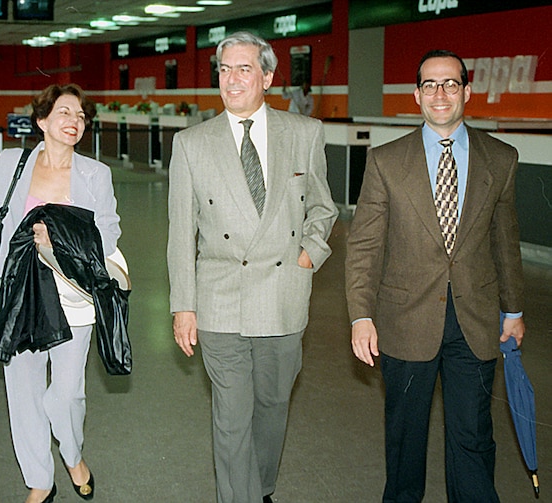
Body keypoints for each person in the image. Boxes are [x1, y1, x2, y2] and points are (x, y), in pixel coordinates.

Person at [345, 49, 525, 502]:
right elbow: (365, 246)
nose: (439, 93)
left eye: (449, 83)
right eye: (429, 84)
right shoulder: (386, 161)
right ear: (416, 95)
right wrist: (360, 316)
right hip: (405, 321)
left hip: (476, 320)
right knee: (405, 441)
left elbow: (505, 241)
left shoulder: (500, 158)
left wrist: (514, 309)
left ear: (467, 91)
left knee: (474, 436)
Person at [167, 32, 338, 503]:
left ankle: (260, 488)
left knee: (272, 405)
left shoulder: (304, 133)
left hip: (283, 295)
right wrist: (184, 306)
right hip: (220, 298)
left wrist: (309, 254)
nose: (231, 79)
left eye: (243, 69)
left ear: (267, 76)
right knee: (230, 415)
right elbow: (180, 233)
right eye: (223, 69)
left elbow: (324, 208)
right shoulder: (191, 144)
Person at [0, 84, 120, 503]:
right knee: (23, 393)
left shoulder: (95, 174)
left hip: (72, 294)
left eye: (81, 116)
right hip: (20, 291)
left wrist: (62, 247)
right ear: (41, 121)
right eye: (65, 113)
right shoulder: (12, 163)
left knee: (68, 392)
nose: (75, 122)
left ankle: (71, 453)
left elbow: (108, 231)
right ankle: (40, 479)